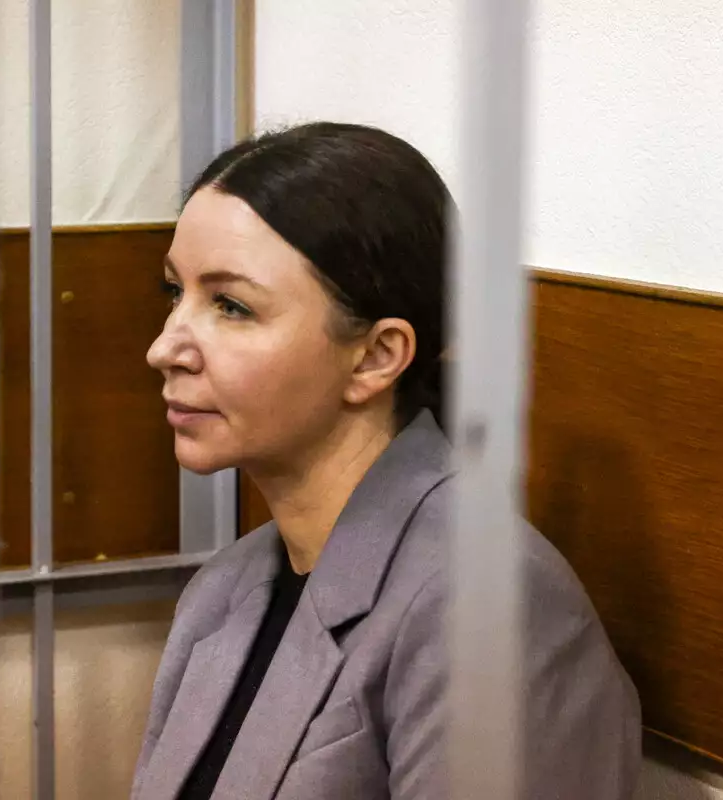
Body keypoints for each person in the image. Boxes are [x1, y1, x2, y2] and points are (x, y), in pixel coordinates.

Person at [132, 122, 641, 799]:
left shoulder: (491, 614)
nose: (165, 348)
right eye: (175, 292)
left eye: (232, 306)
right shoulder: (222, 591)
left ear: (376, 357)